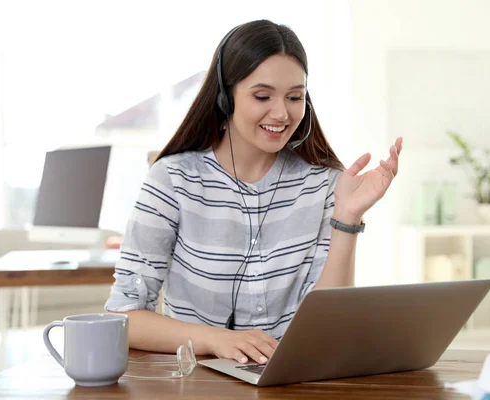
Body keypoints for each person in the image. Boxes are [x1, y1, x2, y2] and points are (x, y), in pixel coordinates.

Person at [105, 19, 402, 366]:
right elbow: (125, 316)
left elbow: (329, 324)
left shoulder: (323, 184)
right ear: (225, 96)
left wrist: (347, 218)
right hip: (200, 384)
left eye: (295, 97)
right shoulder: (173, 180)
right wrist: (218, 340)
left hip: (294, 381)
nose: (281, 113)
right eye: (262, 96)